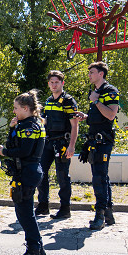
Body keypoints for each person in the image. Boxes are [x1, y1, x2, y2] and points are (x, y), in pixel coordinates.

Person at [0, 91, 47, 255]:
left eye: (16, 108)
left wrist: (5, 153)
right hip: (28, 171)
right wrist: (11, 128)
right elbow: (13, 143)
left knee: (24, 213)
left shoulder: (29, 126)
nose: (14, 111)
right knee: (25, 212)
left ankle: (33, 251)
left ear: (26, 108)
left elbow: (24, 151)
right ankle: (39, 250)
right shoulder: (25, 124)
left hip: (28, 170)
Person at [74, 61, 120, 230]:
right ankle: (108, 214)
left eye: (92, 72)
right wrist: (86, 116)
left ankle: (99, 215)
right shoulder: (96, 92)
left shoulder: (109, 91)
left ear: (101, 73)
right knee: (102, 177)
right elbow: (100, 117)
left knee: (99, 178)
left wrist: (97, 102)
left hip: (103, 141)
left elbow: (110, 115)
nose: (89, 75)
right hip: (94, 140)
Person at [37, 70, 80, 220]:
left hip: (62, 142)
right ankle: (43, 205)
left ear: (62, 83)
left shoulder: (68, 100)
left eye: (57, 82)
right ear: (48, 84)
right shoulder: (49, 101)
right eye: (51, 82)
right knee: (40, 173)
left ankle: (65, 208)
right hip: (48, 142)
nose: (54, 85)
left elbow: (75, 125)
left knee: (62, 176)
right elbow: (44, 121)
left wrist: (72, 146)